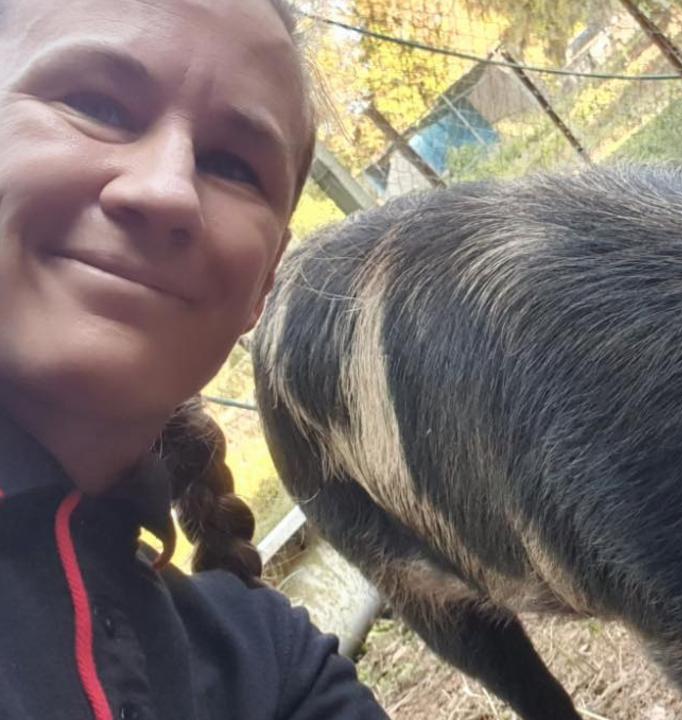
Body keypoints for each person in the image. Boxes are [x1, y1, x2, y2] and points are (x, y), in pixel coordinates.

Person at [0, 0, 390, 717]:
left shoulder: (273, 669)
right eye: (95, 106)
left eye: (232, 166)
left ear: (262, 287)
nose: (167, 189)